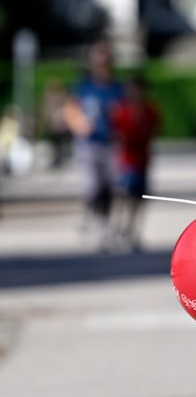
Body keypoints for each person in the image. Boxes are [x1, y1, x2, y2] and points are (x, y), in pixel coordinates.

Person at [64, 41, 125, 250]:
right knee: (92, 186)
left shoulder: (117, 88)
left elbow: (125, 113)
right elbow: (70, 109)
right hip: (89, 145)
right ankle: (90, 213)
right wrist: (78, 122)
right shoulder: (84, 86)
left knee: (108, 187)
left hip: (110, 144)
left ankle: (104, 228)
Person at [111, 74, 161, 251]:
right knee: (124, 196)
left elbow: (155, 130)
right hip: (126, 161)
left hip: (142, 160)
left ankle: (133, 230)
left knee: (139, 199)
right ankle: (118, 227)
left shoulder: (149, 111)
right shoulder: (121, 110)